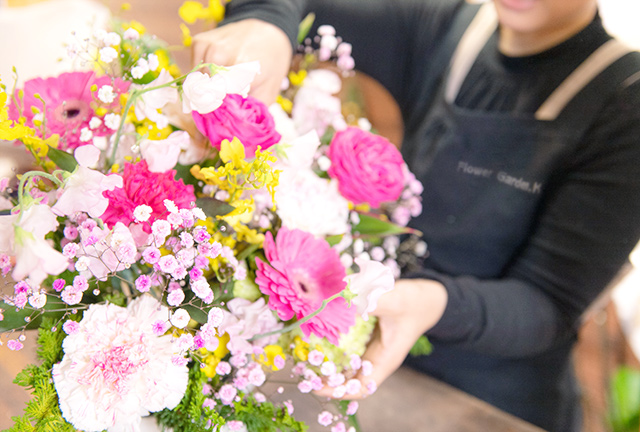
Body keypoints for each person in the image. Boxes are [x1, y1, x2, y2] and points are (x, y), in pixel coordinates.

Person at [192, 1, 640, 430]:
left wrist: (430, 304)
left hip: (495, 406)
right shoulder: (446, 26)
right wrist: (269, 25)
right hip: (372, 376)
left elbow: (548, 303)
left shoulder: (624, 101)